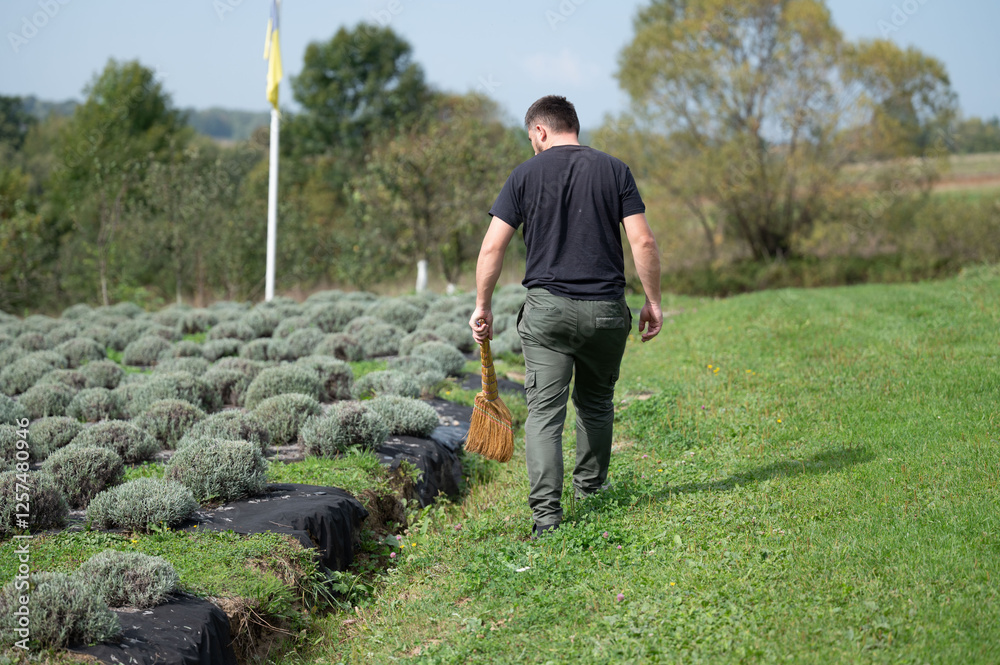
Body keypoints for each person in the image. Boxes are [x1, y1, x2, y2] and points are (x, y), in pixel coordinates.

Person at [469, 95, 663, 536]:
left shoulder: (524, 175)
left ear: (540, 131)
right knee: (596, 405)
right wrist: (651, 300)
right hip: (606, 313)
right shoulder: (615, 170)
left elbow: (492, 247)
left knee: (543, 415)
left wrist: (482, 306)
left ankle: (547, 521)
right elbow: (644, 243)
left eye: (530, 137)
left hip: (548, 313)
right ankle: (591, 497)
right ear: (572, 125)